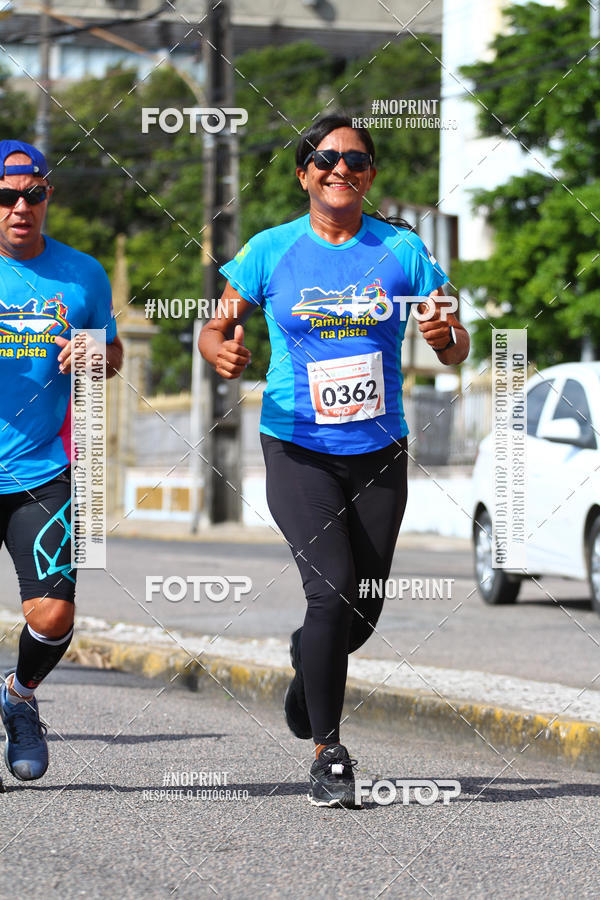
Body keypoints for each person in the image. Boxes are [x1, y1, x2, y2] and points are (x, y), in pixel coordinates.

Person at [199, 114, 469, 808]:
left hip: (379, 450)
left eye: (354, 159)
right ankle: (329, 753)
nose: (339, 168)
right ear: (304, 173)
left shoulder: (404, 252)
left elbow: (455, 339)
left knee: (363, 610)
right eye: (324, 158)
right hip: (297, 447)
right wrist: (218, 350)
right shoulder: (269, 251)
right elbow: (216, 325)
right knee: (332, 589)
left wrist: (446, 336)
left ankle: (307, 665)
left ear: (370, 174)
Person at [0, 140, 123, 781]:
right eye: (6, 196)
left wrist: (99, 356)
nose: (21, 207)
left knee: (53, 615)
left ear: (49, 198)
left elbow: (114, 350)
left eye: (34, 194)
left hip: (41, 470)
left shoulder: (83, 275)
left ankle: (20, 697)